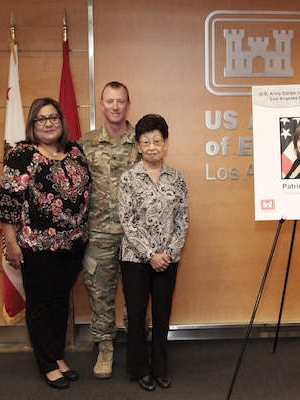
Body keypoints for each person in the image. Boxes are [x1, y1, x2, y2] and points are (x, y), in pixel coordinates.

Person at [0, 98, 91, 390]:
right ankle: (47, 364)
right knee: (40, 304)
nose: (48, 124)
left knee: (61, 302)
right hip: (35, 246)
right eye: (41, 119)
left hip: (73, 244)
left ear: (62, 121)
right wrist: (11, 244)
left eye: (53, 118)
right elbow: (7, 204)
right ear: (32, 124)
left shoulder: (75, 151)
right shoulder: (21, 155)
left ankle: (58, 356)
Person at [119, 114, 189, 391]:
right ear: (138, 145)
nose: (151, 147)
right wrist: (150, 254)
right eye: (145, 141)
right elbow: (127, 221)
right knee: (136, 316)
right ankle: (140, 368)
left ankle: (160, 367)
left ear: (165, 144)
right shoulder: (128, 179)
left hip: (168, 260)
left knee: (162, 314)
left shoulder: (177, 179)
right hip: (135, 259)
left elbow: (183, 218)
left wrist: (168, 253)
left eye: (156, 141)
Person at [78, 81, 140, 379]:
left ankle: (138, 345)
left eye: (121, 101)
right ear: (101, 105)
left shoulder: (142, 141)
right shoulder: (85, 144)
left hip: (135, 236)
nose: (115, 106)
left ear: (128, 105)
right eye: (110, 101)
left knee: (137, 293)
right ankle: (105, 348)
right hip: (99, 232)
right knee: (100, 294)